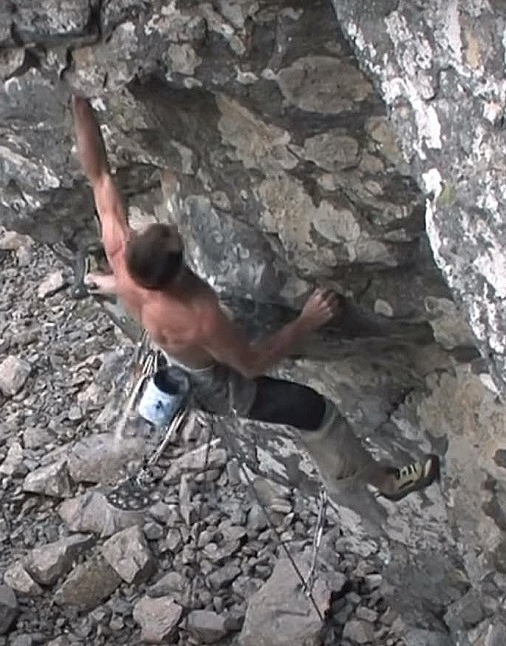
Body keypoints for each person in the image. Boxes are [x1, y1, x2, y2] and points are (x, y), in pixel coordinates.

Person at [69, 95, 440, 519]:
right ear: (174, 273)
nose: (173, 228)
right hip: (221, 383)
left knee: (122, 277)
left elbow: (98, 175)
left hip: (166, 337)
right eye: (172, 237)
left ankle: (98, 283)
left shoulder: (122, 253)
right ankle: (382, 483)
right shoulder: (201, 318)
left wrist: (81, 103)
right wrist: (307, 321)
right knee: (313, 410)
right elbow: (251, 364)